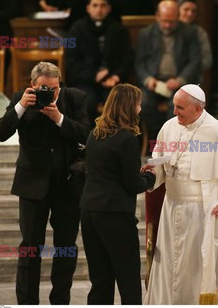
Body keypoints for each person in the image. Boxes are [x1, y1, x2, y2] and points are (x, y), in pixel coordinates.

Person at [142, 84, 218, 304]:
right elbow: (162, 164)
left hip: (202, 214)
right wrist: (152, 173)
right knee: (171, 268)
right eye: (174, 106)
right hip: (172, 208)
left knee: (195, 269)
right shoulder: (169, 127)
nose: (175, 113)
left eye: (180, 108)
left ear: (197, 109)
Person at [0, 62, 90, 304]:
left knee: (66, 249)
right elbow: (0, 133)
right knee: (29, 249)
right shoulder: (21, 99)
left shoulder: (75, 98)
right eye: (44, 89)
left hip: (67, 186)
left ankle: (60, 302)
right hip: (32, 185)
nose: (51, 93)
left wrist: (60, 118)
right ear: (33, 86)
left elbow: (88, 134)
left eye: (55, 88)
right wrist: (19, 108)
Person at [80, 83, 156, 304]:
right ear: (129, 106)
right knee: (128, 278)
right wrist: (150, 177)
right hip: (114, 215)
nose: (140, 109)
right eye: (138, 104)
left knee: (100, 279)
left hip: (89, 211)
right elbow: (133, 184)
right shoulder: (126, 139)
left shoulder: (94, 134)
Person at [135, 0, 201, 144]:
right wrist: (148, 79)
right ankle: (158, 140)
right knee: (143, 104)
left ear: (178, 17)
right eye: (164, 21)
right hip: (154, 81)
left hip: (179, 83)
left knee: (179, 106)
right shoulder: (146, 34)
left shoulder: (189, 33)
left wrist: (180, 80)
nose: (167, 25)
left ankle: (174, 144)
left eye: (171, 21)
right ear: (157, 16)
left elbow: (195, 61)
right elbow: (139, 63)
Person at [65, 0, 133, 126]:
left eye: (103, 5)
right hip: (86, 82)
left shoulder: (119, 30)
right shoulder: (76, 29)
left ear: (109, 8)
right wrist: (94, 75)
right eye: (95, 5)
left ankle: (113, 144)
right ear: (88, 8)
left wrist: (115, 76)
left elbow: (127, 59)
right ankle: (87, 143)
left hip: (112, 81)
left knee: (116, 103)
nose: (99, 9)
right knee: (85, 103)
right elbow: (71, 62)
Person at [177, 0, 212, 83]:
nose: (190, 14)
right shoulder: (168, 29)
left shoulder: (200, 33)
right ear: (177, 10)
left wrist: (187, 72)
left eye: (193, 11)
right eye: (186, 9)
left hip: (190, 78)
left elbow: (207, 60)